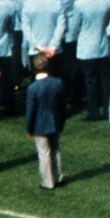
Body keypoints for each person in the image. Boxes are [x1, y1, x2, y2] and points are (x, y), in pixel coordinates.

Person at [26, 54, 68, 190]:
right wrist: (62, 122)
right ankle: (59, 177)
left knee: (44, 153)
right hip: (55, 122)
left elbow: (30, 111)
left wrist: (29, 129)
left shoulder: (32, 88)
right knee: (56, 149)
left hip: (40, 124)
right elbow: (62, 106)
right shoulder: (57, 83)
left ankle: (47, 182)